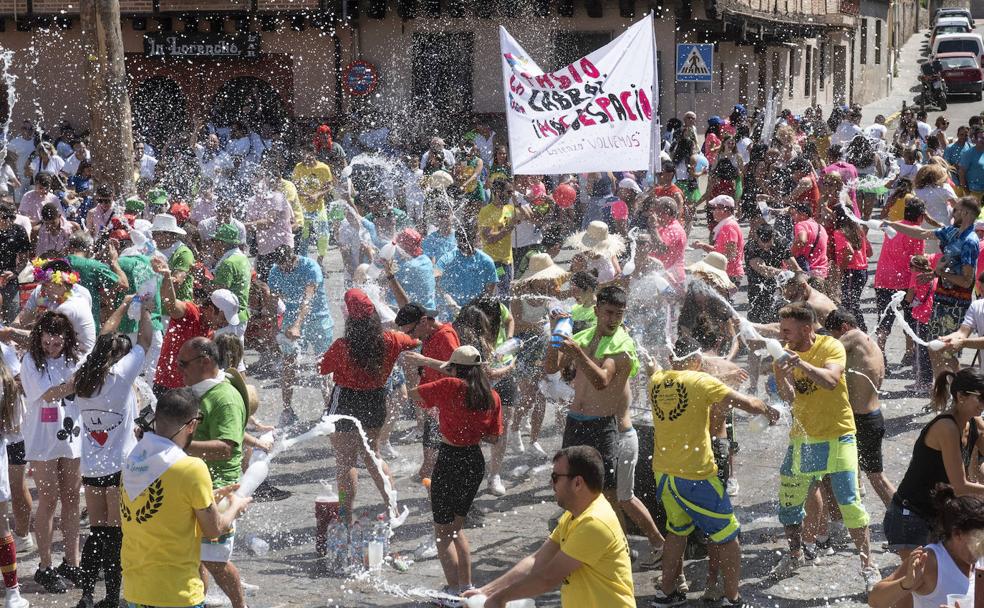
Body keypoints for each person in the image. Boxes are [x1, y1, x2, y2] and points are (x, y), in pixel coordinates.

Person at [649, 337, 778, 607]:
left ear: (673, 359)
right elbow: (749, 405)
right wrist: (769, 409)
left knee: (677, 531)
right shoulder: (701, 381)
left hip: (664, 472)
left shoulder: (657, 381)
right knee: (729, 536)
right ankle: (733, 598)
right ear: (696, 361)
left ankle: (667, 592)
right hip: (696, 475)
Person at [769, 303, 877, 591]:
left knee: (850, 503)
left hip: (839, 434)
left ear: (807, 329)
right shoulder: (783, 353)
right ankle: (794, 556)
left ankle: (868, 566)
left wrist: (800, 364)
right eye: (781, 330)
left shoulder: (831, 346)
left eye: (787, 330)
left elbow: (831, 381)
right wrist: (781, 373)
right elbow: (789, 397)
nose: (783, 335)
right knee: (789, 502)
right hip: (803, 438)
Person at [120, 388, 251, 608]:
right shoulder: (191, 468)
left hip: (137, 589)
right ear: (191, 425)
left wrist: (208, 498)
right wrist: (235, 506)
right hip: (177, 591)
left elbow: (163, 510)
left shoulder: (133, 461)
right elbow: (214, 529)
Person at [462, 446, 634, 608]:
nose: (552, 484)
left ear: (578, 483)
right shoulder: (575, 514)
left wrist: (499, 598)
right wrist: (486, 591)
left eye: (555, 477)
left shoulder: (595, 523)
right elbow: (536, 560)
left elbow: (548, 577)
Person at [72, 295, 152, 608]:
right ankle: (112, 596)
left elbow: (104, 336)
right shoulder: (121, 377)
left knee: (96, 532)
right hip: (120, 466)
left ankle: (87, 595)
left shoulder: (83, 377)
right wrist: (143, 307)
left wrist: (123, 305)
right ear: (120, 358)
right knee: (117, 535)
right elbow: (145, 339)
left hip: (91, 469)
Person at [409, 345, 503, 601]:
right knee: (456, 529)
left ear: (454, 368)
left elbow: (414, 395)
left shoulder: (449, 385)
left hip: (450, 460)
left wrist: (440, 379)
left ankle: (452, 592)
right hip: (474, 462)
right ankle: (467, 586)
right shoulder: (491, 395)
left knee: (442, 531)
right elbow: (494, 437)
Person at [319, 289, 418, 524]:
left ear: (350, 320)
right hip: (375, 400)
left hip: (345, 400)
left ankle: (345, 515)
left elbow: (323, 368)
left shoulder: (342, 346)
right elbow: (416, 340)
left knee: (346, 461)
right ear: (374, 315)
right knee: (373, 455)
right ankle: (392, 508)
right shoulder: (392, 340)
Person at [545, 285, 637, 500]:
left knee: (606, 494)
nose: (613, 319)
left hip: (602, 426)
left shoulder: (623, 344)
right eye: (609, 313)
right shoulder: (583, 337)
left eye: (619, 314)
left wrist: (578, 353)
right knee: (567, 485)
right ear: (596, 311)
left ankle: (615, 533)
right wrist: (554, 334)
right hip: (575, 422)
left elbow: (601, 381)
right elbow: (551, 368)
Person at [884, 368, 984, 560]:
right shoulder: (946, 427)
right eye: (981, 398)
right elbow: (959, 486)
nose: (983, 405)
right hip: (911, 515)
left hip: (935, 515)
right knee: (919, 585)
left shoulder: (972, 423)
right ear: (961, 396)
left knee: (943, 580)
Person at [178, 337, 248, 608]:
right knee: (195, 555)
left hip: (219, 486)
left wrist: (179, 443)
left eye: (184, 363)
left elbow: (226, 448)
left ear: (205, 361)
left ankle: (241, 606)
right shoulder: (200, 391)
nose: (180, 368)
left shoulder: (225, 398)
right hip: (196, 484)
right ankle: (200, 602)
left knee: (214, 560)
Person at [19, 312, 83, 593]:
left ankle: (72, 562)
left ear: (66, 338)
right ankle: (45, 565)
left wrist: (80, 381)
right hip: (42, 441)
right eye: (48, 341)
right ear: (40, 337)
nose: (52, 346)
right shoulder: (31, 361)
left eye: (57, 341)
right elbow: (47, 395)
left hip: (73, 439)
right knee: (48, 498)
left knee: (71, 499)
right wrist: (77, 383)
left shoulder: (74, 358)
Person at [888, 196, 981, 380]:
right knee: (934, 348)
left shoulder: (970, 241)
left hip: (955, 305)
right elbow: (922, 233)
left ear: (966, 213)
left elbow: (966, 280)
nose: (952, 213)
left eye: (956, 210)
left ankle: (958, 389)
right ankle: (940, 392)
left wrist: (939, 272)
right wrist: (890, 225)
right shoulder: (953, 232)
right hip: (940, 300)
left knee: (947, 352)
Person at [823, 309, 894, 507]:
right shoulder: (867, 343)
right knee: (852, 471)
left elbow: (824, 351)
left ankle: (904, 516)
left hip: (863, 421)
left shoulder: (853, 337)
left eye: (834, 334)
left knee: (877, 478)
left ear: (844, 327)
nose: (834, 339)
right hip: (870, 416)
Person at [870, 483, 984, 608]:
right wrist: (905, 584)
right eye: (979, 537)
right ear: (957, 533)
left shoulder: (979, 559)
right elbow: (875, 601)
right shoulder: (929, 561)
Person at [266, 244, 334, 427]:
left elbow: (308, 299)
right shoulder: (275, 270)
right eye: (281, 268)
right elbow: (273, 301)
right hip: (290, 318)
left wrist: (297, 325)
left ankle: (329, 410)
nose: (285, 271)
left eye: (287, 267)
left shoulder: (310, 267)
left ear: (294, 258)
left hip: (318, 319)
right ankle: (287, 410)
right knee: (288, 363)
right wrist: (274, 326)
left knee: (323, 365)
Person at [478, 179, 522, 297]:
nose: (510, 195)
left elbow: (520, 217)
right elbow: (489, 238)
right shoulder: (486, 211)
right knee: (500, 293)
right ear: (497, 192)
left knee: (506, 292)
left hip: (508, 260)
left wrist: (515, 202)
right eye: (508, 192)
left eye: (512, 192)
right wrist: (508, 228)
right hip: (494, 261)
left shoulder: (508, 209)